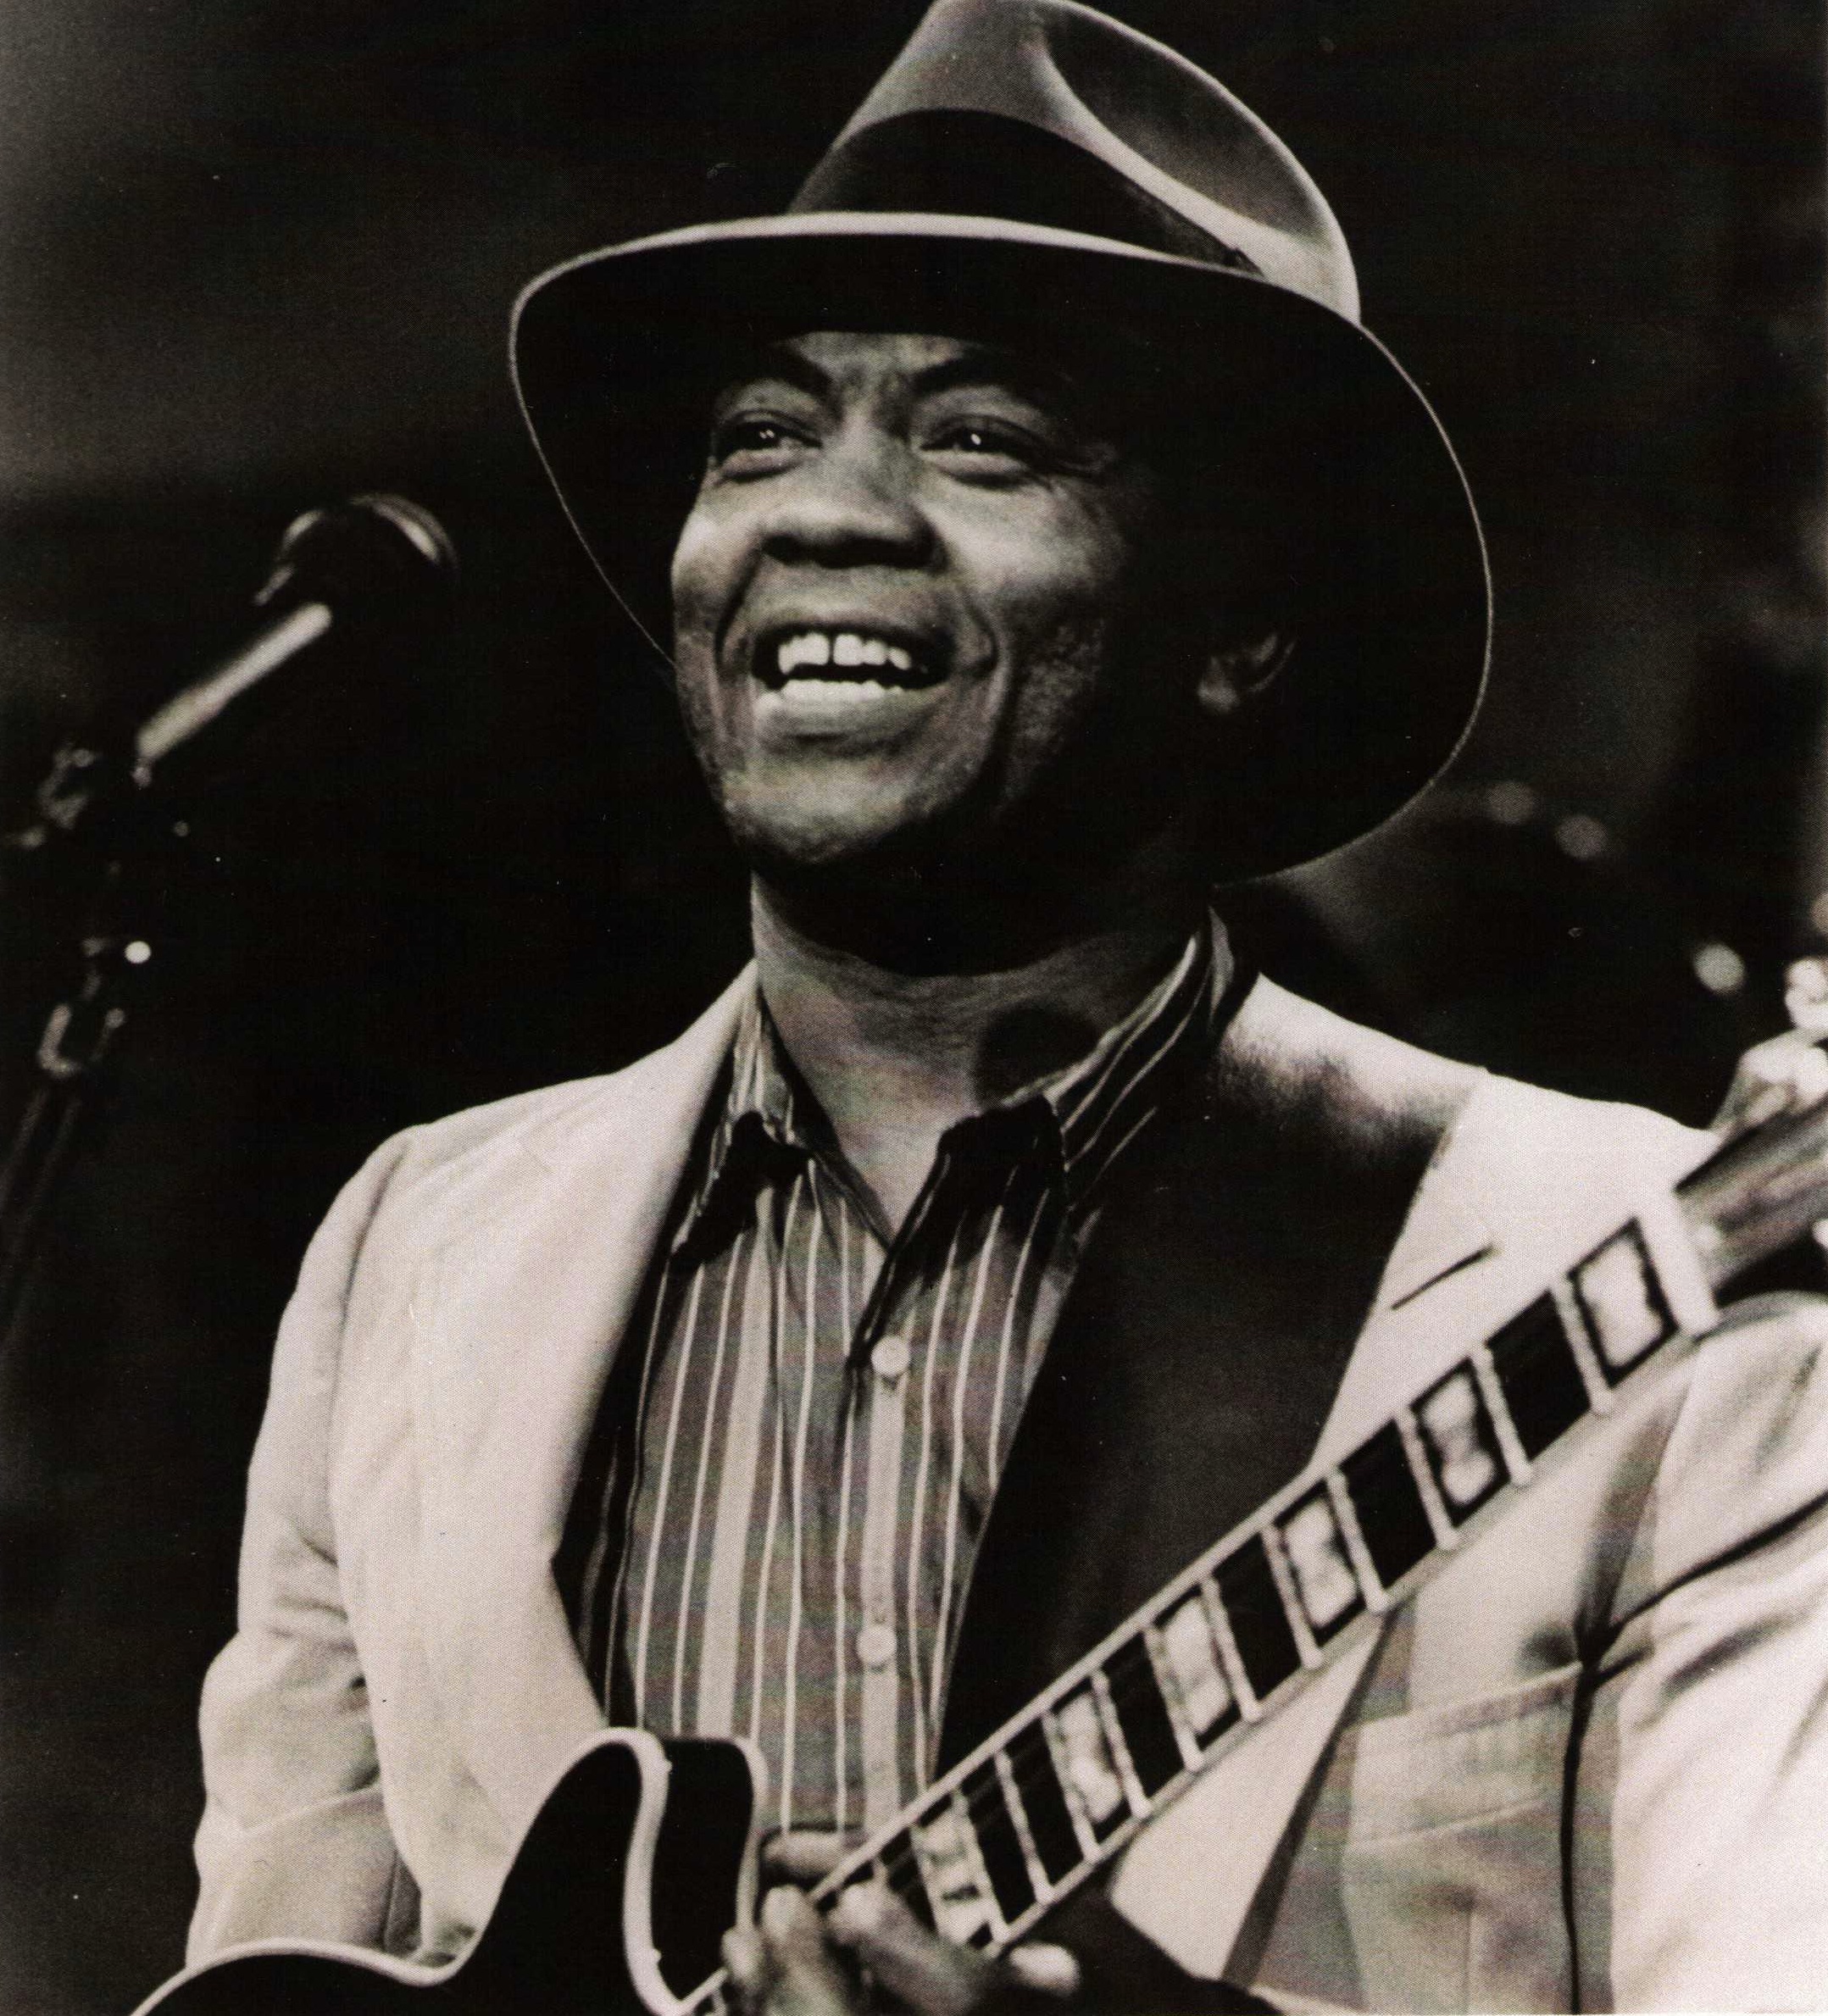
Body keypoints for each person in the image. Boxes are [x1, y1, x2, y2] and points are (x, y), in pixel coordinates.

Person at [180, 2, 1828, 2009]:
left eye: (981, 440)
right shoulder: (411, 1252)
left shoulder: (1632, 1281)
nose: (821, 514)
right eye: (758, 434)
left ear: (1237, 629)